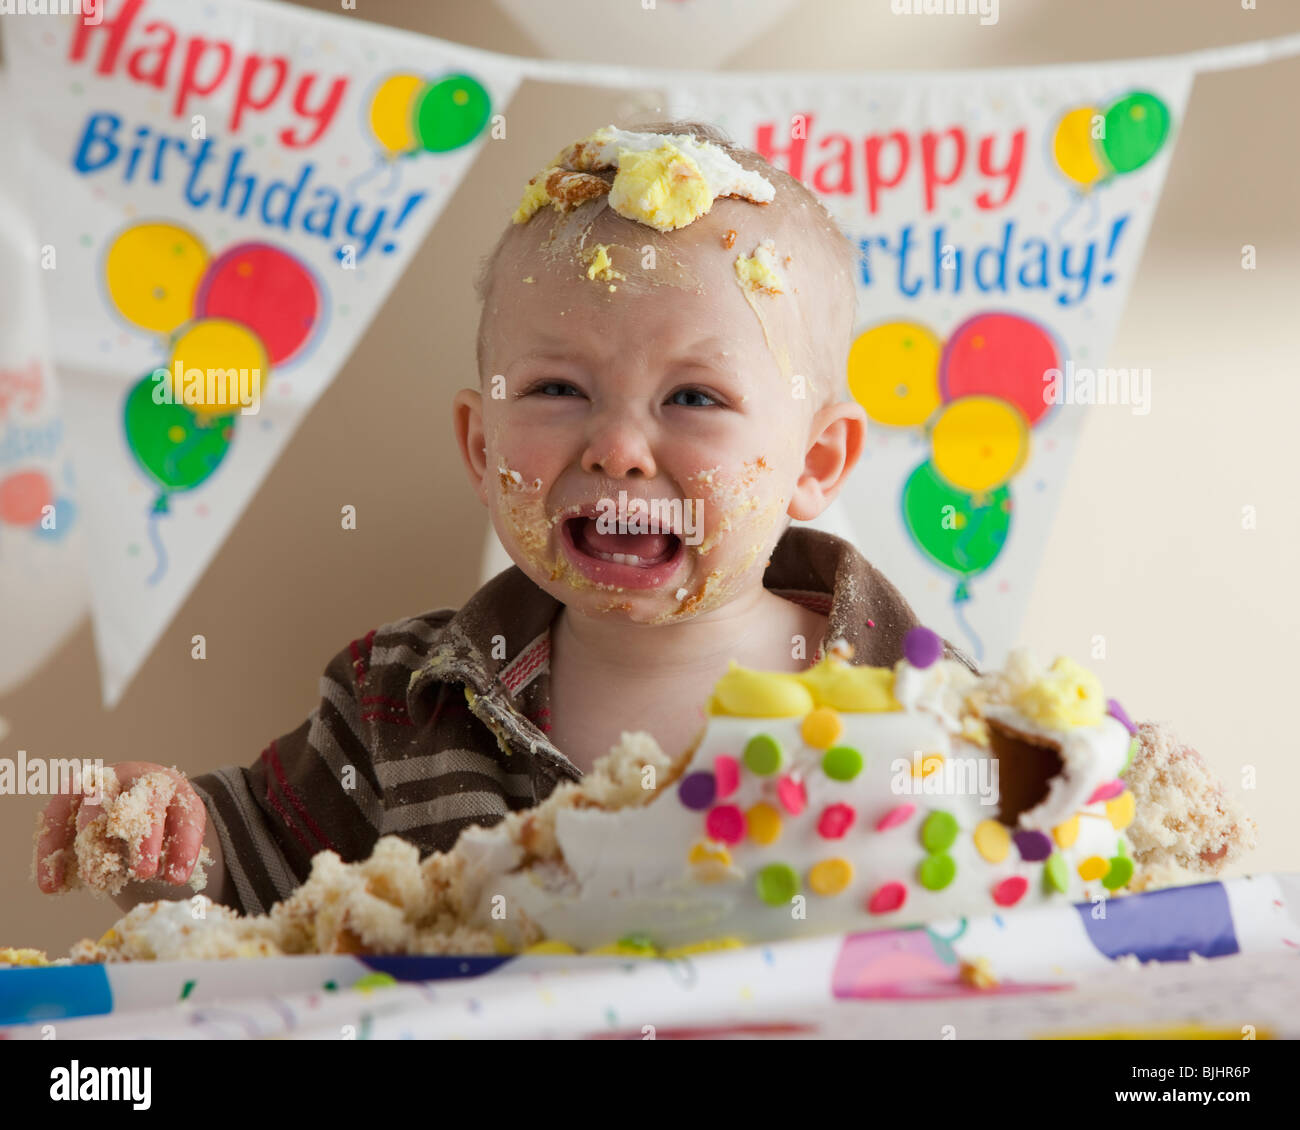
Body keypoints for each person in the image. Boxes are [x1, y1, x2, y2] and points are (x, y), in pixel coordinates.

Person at [35, 122, 972, 918]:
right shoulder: (399, 704)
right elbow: (259, 881)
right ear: (481, 448)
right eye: (558, 388)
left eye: (694, 397)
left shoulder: (923, 706)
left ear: (815, 462)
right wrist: (169, 838)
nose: (618, 448)